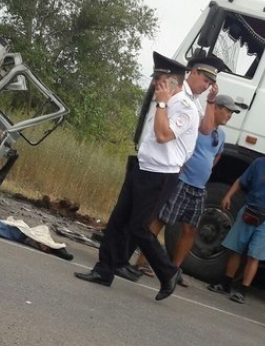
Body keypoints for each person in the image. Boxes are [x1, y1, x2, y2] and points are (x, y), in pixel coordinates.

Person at [74, 52, 200, 301]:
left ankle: (168, 273)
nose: (155, 84)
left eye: (160, 80)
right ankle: (104, 270)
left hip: (161, 175)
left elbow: (164, 135)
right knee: (118, 221)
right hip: (142, 167)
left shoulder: (185, 107)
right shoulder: (162, 102)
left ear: (172, 82)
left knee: (140, 228)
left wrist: (163, 104)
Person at [125, 56, 228, 281]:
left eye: (211, 84)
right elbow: (162, 133)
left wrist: (210, 101)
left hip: (182, 178)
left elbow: (206, 129)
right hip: (163, 168)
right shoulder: (179, 95)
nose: (206, 86)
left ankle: (169, 270)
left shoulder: (197, 103)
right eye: (205, 80)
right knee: (152, 220)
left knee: (184, 227)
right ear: (193, 72)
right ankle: (137, 263)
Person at [155, 94, 240, 287]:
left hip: (199, 188)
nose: (229, 115)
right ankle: (141, 263)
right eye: (227, 110)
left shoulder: (221, 135)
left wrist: (206, 169)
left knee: (191, 230)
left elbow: (215, 157)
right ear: (215, 108)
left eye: (232, 112)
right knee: (161, 220)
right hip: (182, 182)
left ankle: (174, 269)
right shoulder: (199, 127)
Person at [207, 135, 265, 304]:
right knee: (235, 250)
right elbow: (240, 181)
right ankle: (225, 284)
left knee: (254, 255)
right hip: (248, 210)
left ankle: (242, 291)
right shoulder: (259, 164)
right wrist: (228, 196)